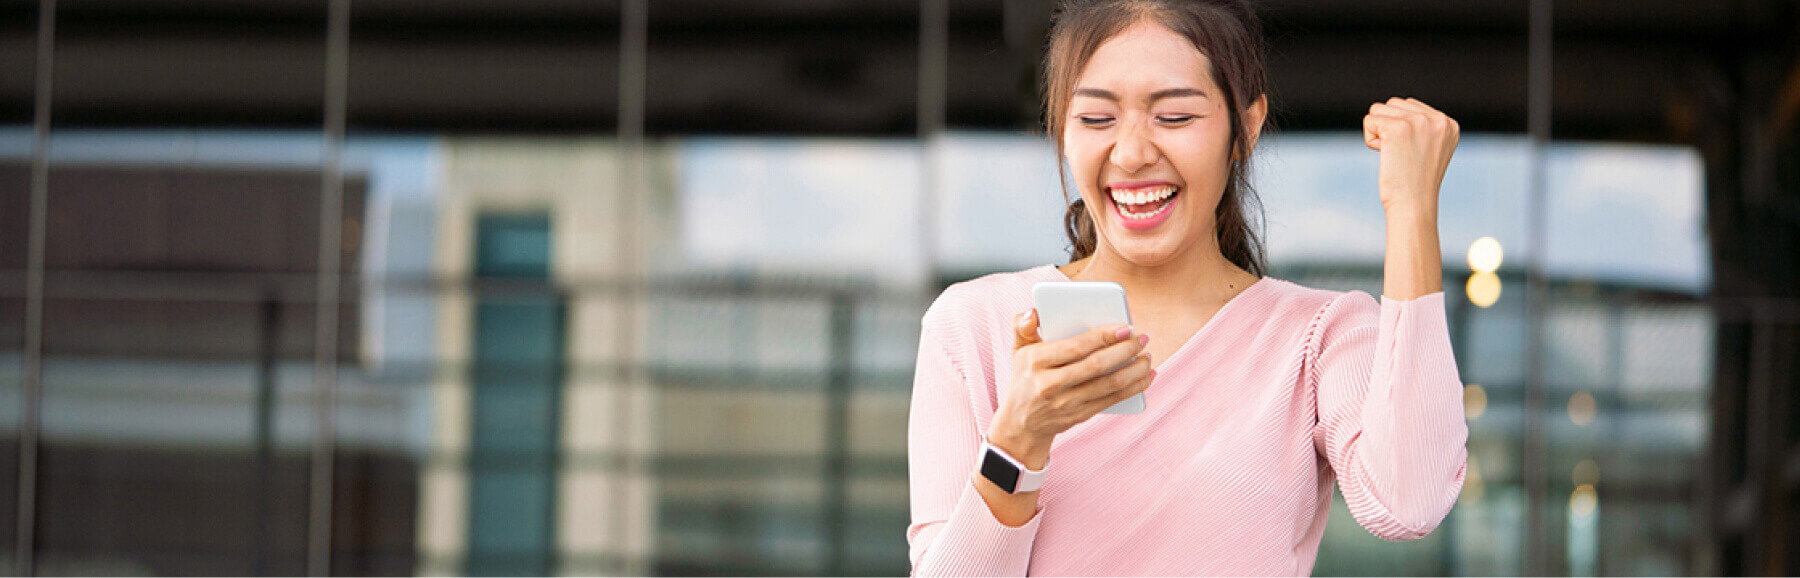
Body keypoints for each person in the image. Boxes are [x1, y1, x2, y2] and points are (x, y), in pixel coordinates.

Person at [905, 0, 1469, 575]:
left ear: (1245, 127)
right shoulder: (972, 326)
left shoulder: (1315, 337)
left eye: (1174, 117)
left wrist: (1412, 208)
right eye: (1097, 120)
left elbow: (1409, 502)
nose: (1131, 154)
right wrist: (1017, 443)